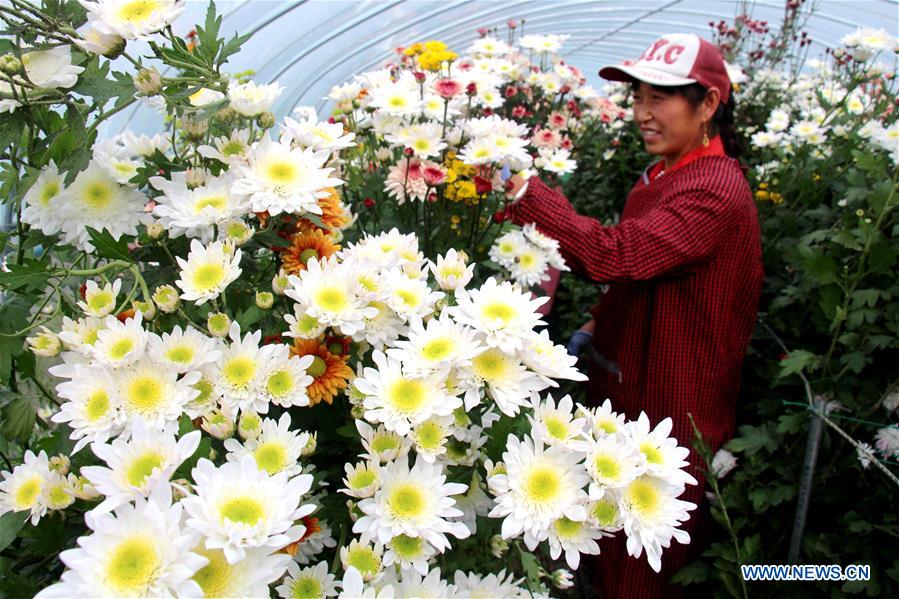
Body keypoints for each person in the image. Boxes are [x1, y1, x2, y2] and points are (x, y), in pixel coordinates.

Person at [504, 33, 764, 598]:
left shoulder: (714, 190)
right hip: (628, 381)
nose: (643, 114)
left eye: (660, 99)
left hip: (675, 398)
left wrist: (525, 191)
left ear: (709, 105)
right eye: (638, 97)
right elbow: (635, 271)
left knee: (641, 559)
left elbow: (618, 255)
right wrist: (595, 323)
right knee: (602, 531)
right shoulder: (661, 176)